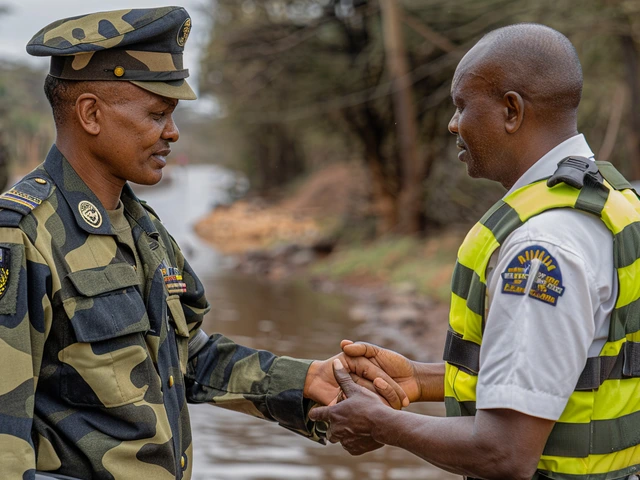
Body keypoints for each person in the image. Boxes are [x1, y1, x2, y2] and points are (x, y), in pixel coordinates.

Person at [0, 7, 408, 480]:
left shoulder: (144, 229)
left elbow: (187, 357)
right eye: (157, 115)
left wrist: (307, 381)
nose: (172, 133)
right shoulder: (22, 234)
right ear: (91, 113)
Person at [309, 23, 640, 479]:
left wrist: (383, 424)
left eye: (462, 105)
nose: (452, 123)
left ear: (511, 111)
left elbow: (504, 453)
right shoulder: (611, 203)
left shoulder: (541, 248)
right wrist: (420, 380)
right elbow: (562, 370)